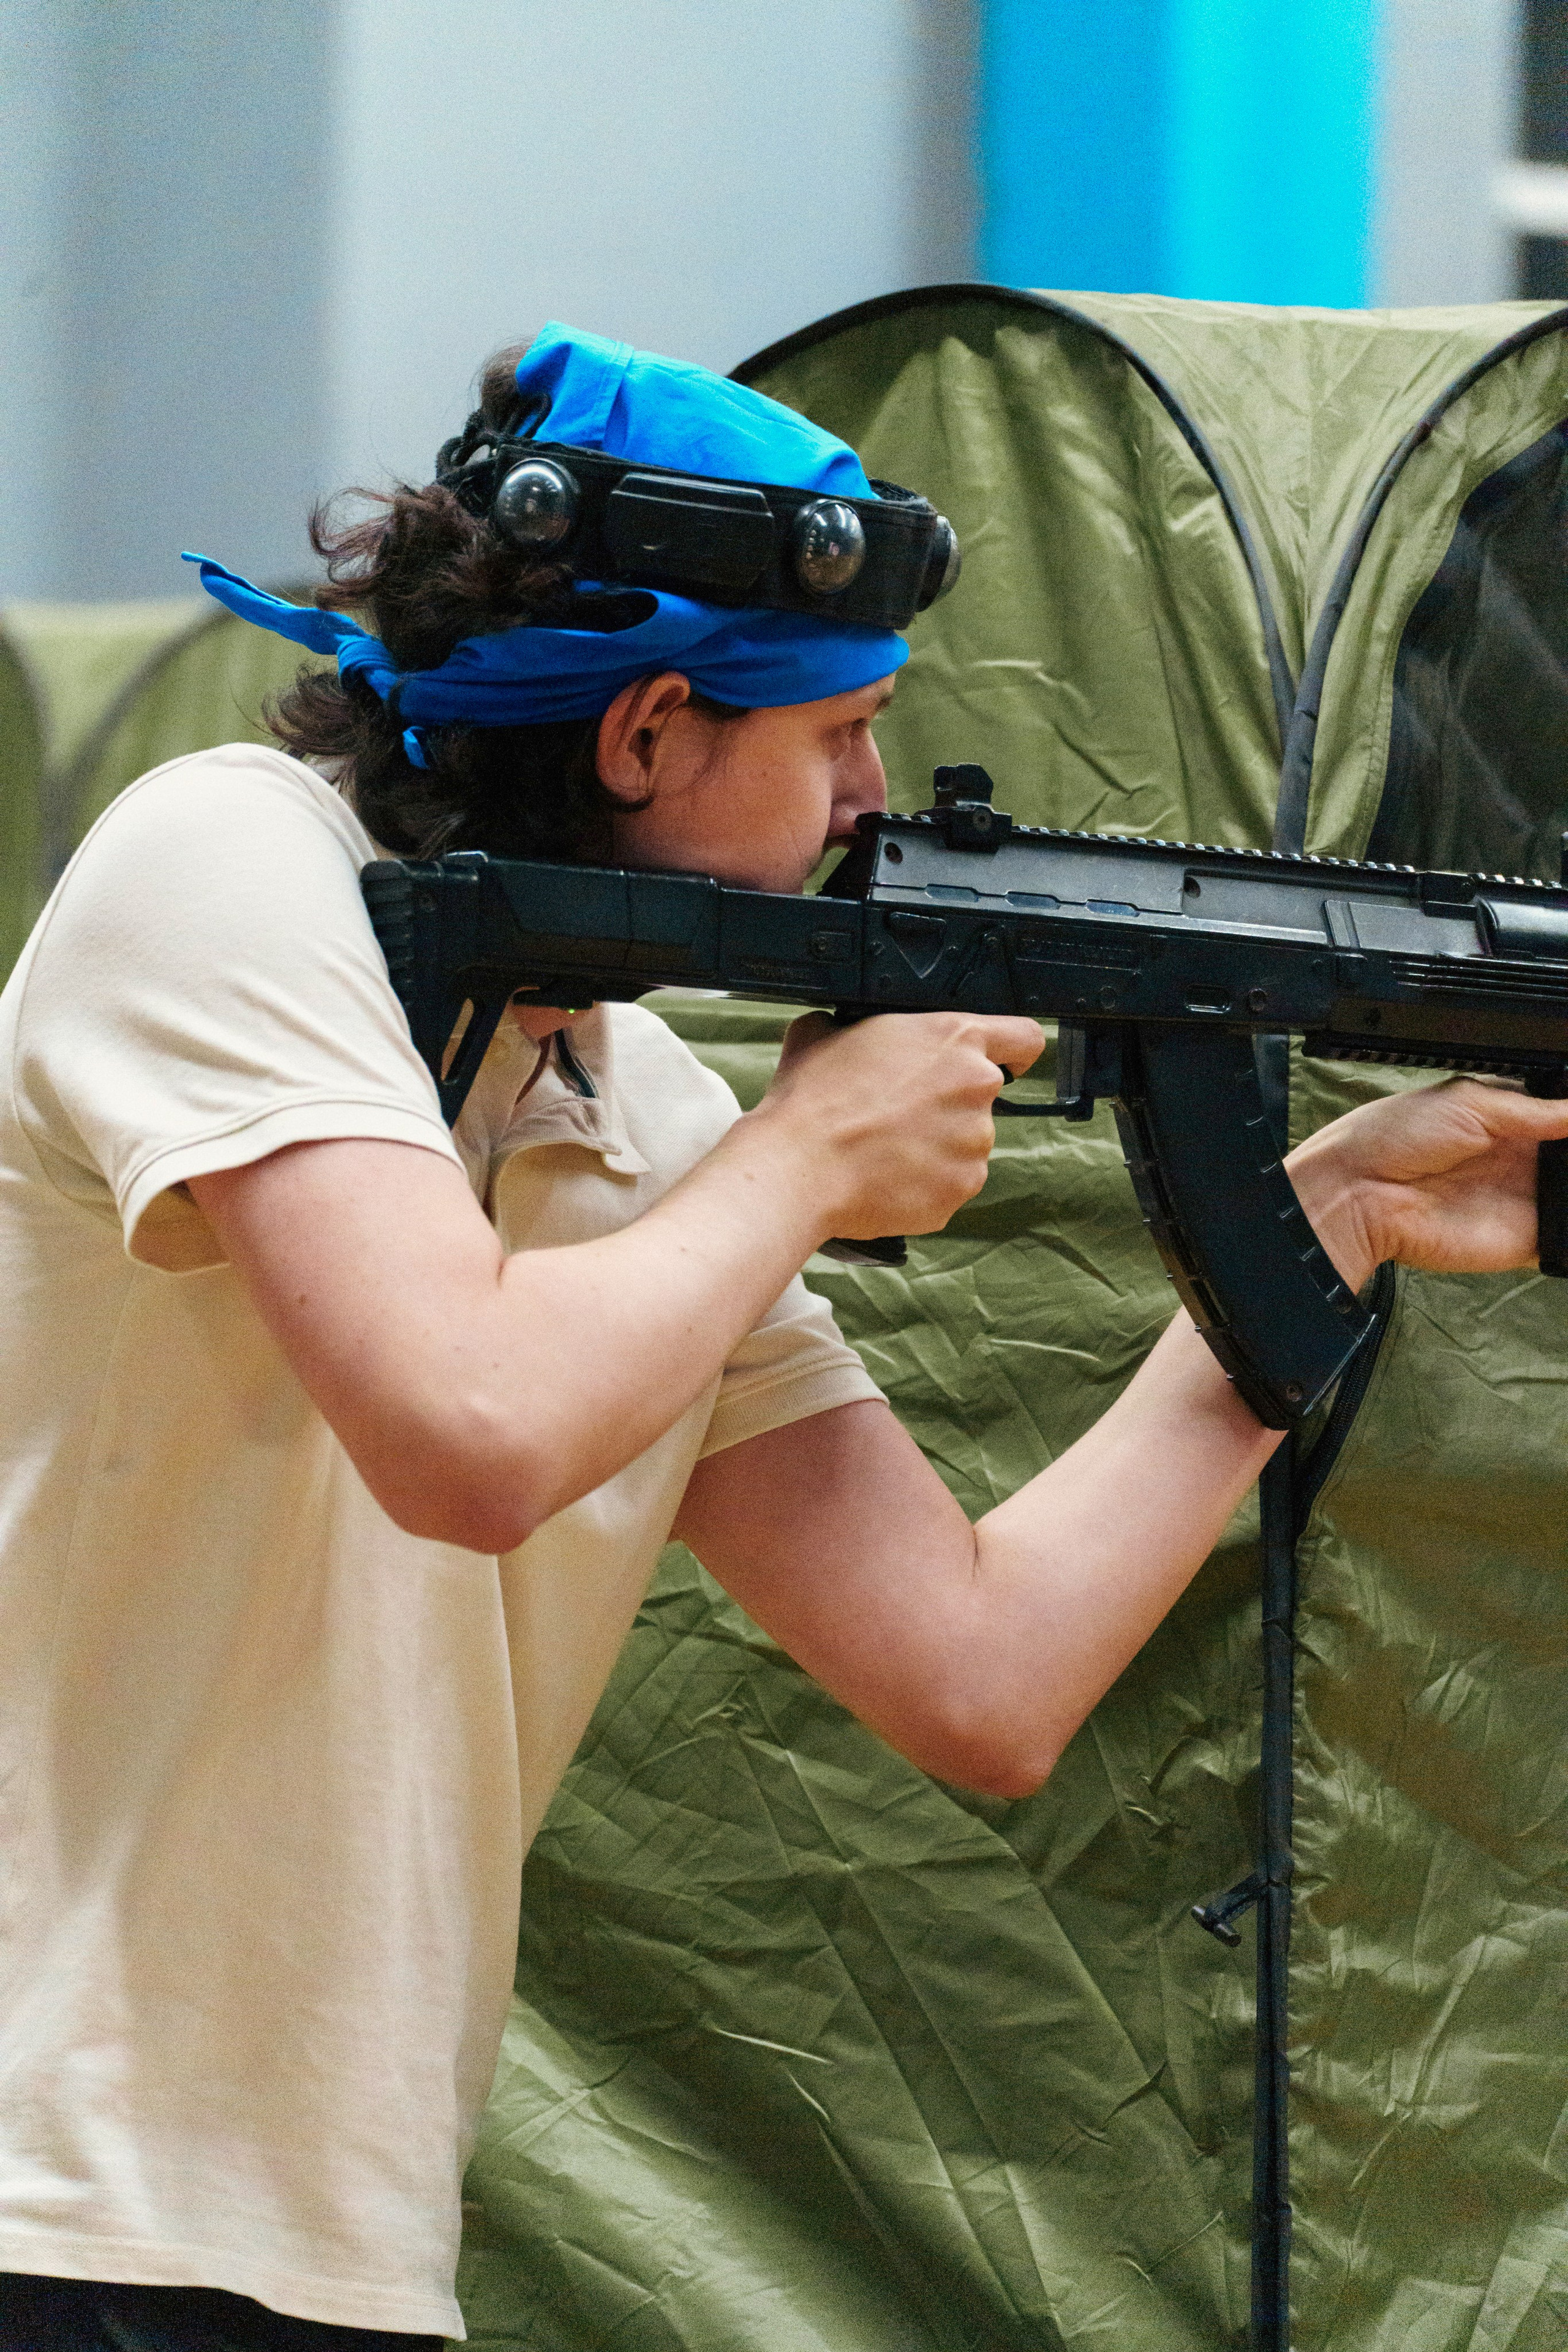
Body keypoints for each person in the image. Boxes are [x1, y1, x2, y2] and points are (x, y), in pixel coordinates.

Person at [0, 323, 1561, 2352]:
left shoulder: (636, 1106)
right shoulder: (226, 861)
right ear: (648, 732)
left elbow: (980, 1671)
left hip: (325, 2245)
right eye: (838, 731)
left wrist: (1333, 1213)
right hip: (55, 2207)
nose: (873, 799)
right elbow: (464, 1426)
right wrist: (812, 1146)